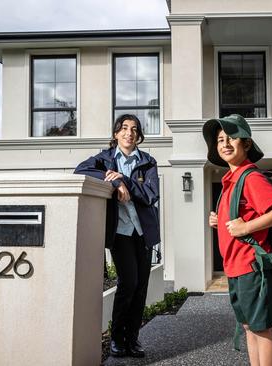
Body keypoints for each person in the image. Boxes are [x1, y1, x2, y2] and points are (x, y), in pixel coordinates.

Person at [203, 114, 272, 366]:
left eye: (232, 137)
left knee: (260, 328)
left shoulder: (250, 177)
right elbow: (241, 216)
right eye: (220, 139)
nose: (225, 143)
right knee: (249, 327)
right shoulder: (230, 180)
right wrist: (219, 219)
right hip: (236, 268)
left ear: (247, 143)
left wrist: (245, 228)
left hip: (252, 266)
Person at [74, 114, 160, 358]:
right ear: (115, 134)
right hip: (120, 232)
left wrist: (125, 181)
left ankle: (132, 340)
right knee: (128, 283)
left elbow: (151, 194)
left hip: (143, 233)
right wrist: (111, 182)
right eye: (123, 128)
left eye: (134, 129)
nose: (129, 133)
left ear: (138, 135)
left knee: (140, 287)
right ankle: (117, 339)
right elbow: (80, 171)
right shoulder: (104, 159)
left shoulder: (148, 162)